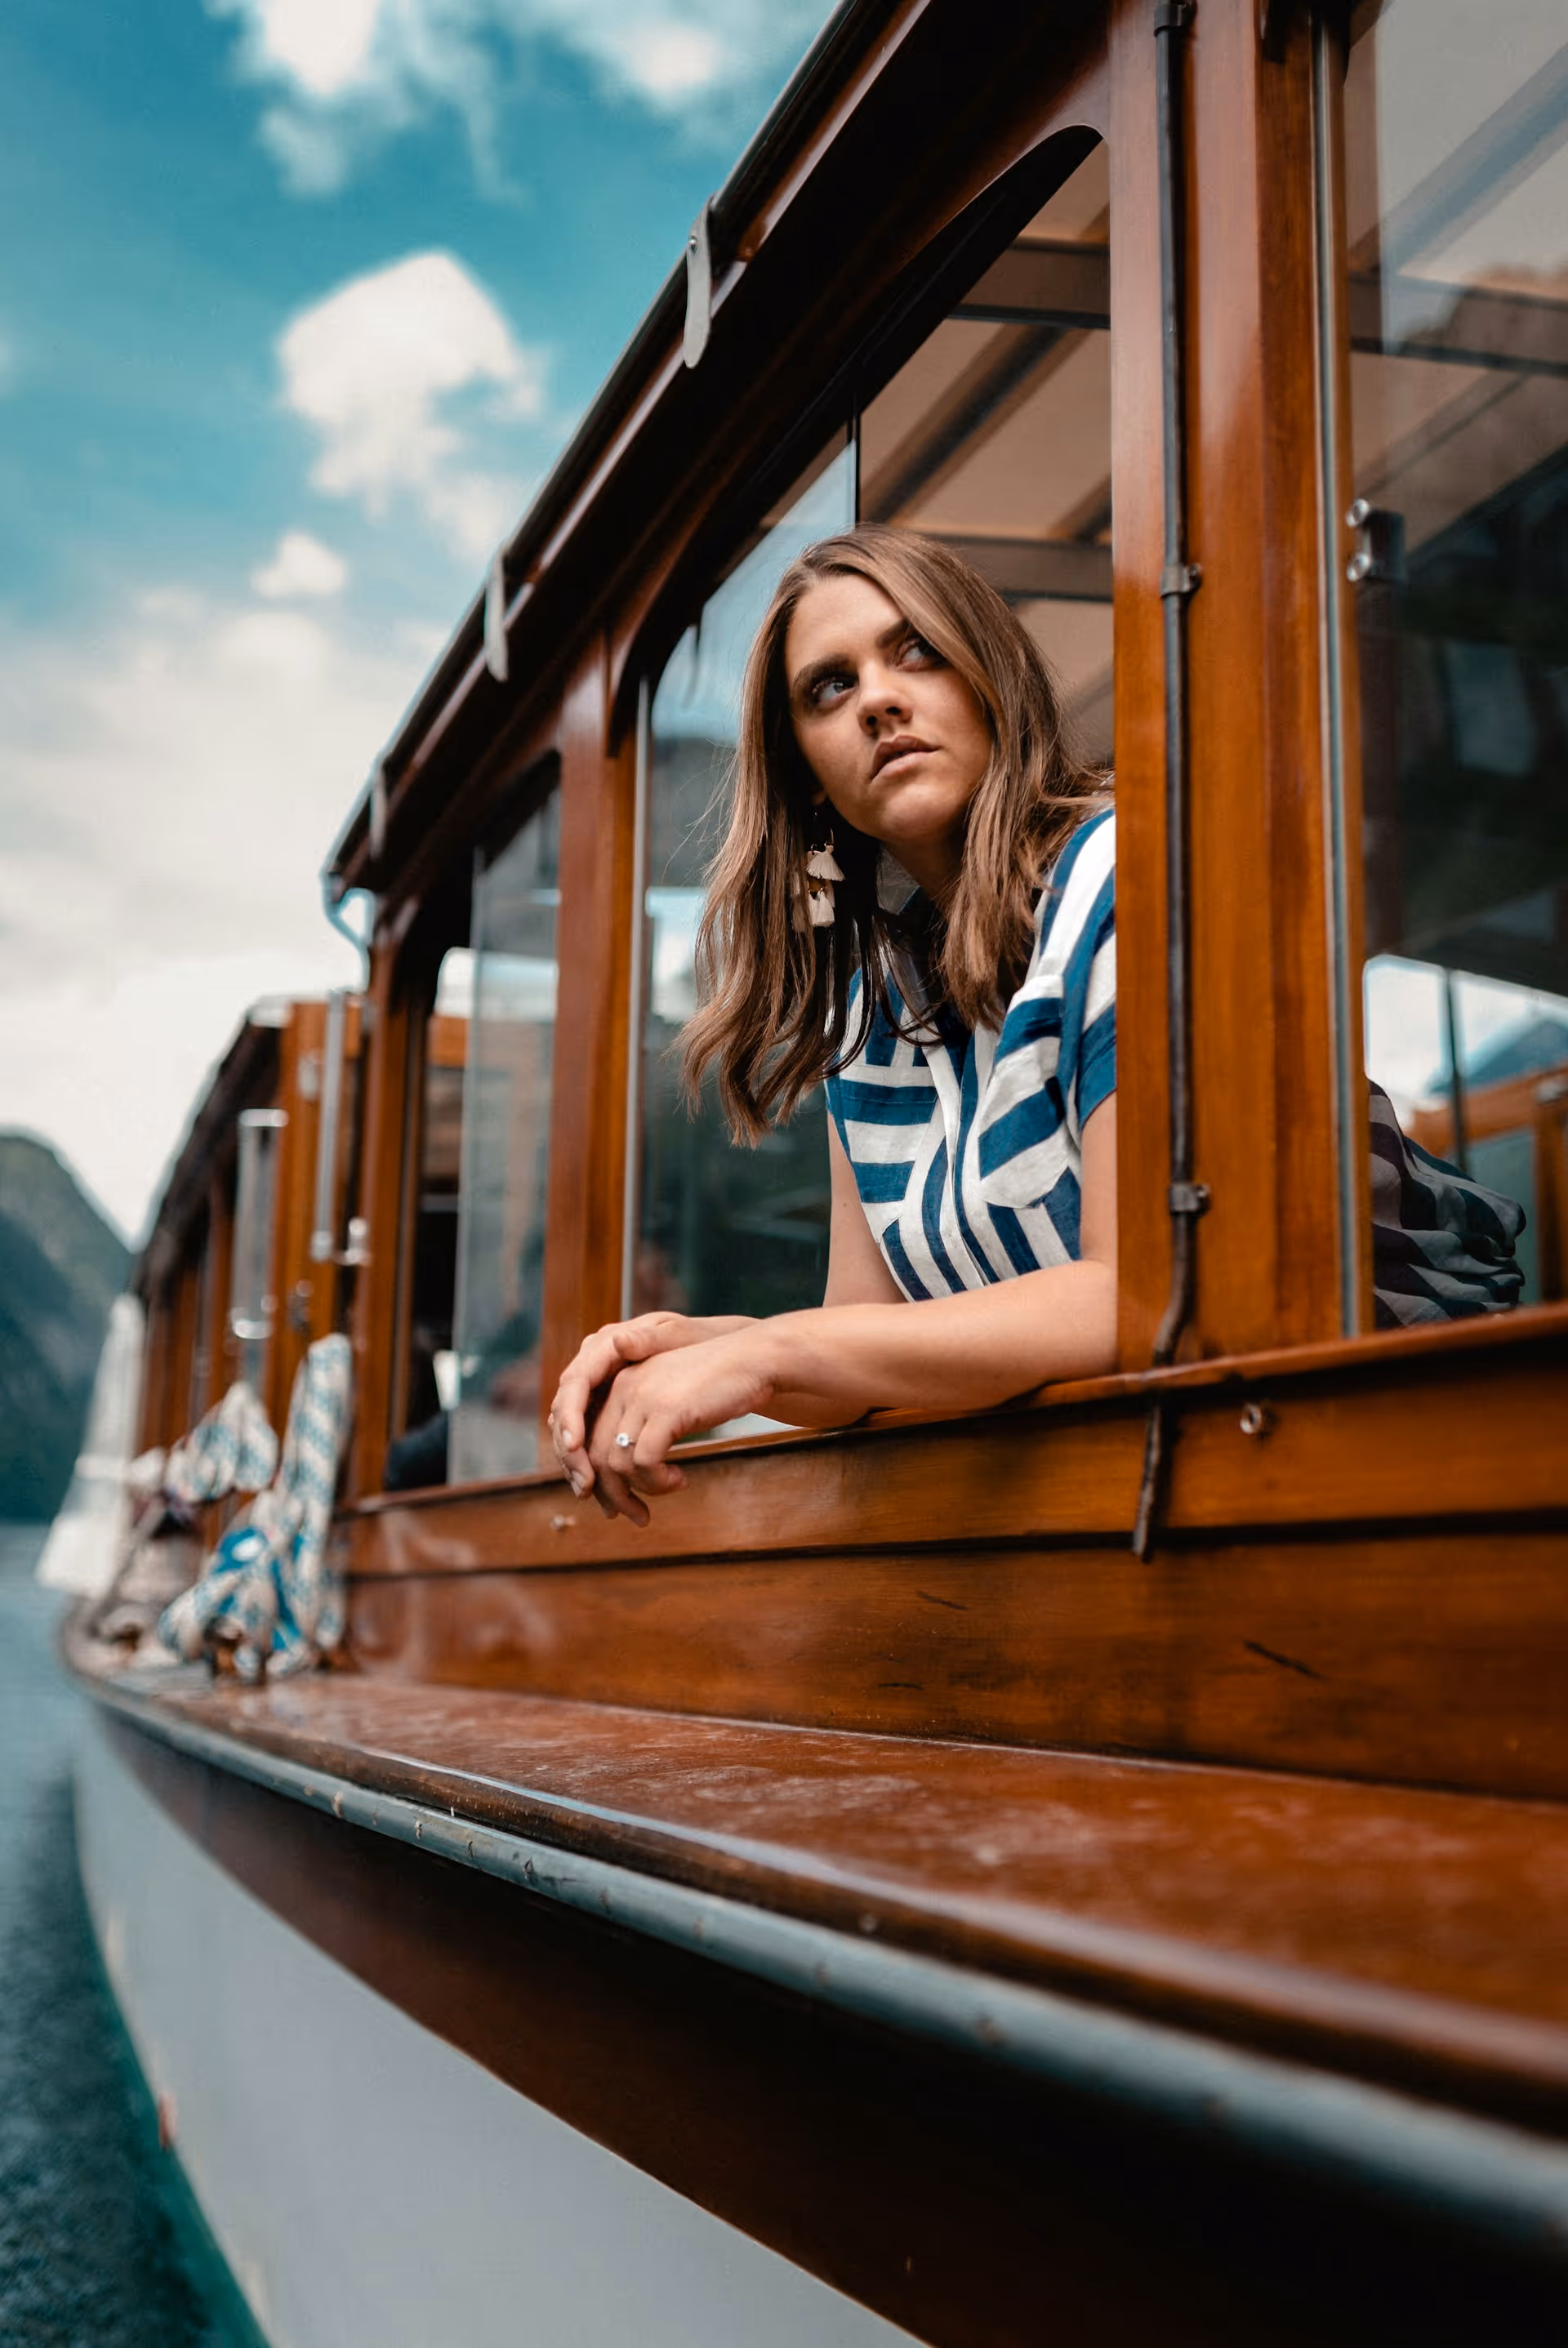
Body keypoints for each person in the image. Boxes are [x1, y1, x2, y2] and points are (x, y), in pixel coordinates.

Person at [550, 526, 1117, 1524]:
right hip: (1073, 1509)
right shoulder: (872, 1014)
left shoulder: (1122, 873)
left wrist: (769, 1352)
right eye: (830, 688)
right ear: (810, 774)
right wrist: (696, 1344)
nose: (879, 700)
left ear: (991, 674)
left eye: (917, 650)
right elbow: (862, 1352)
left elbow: (1127, 1295)